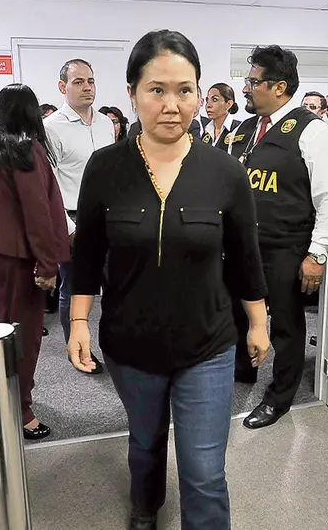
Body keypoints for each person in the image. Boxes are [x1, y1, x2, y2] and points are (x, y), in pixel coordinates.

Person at [67, 29, 269, 530]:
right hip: (130, 343)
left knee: (203, 470)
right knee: (145, 441)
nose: (172, 104)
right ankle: (144, 507)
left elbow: (246, 256)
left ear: (200, 94)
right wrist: (77, 321)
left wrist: (259, 323)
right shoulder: (105, 167)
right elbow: (88, 252)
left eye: (185, 89)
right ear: (133, 92)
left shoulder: (224, 171)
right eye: (157, 89)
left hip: (208, 343)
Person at [225, 45, 328, 427]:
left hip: (287, 247)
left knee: (287, 326)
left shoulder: (313, 131)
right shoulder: (244, 129)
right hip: (244, 245)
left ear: (279, 87)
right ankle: (243, 371)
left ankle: (280, 397)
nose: (246, 89)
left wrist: (318, 254)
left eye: (253, 82)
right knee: (237, 313)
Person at [0, 84, 71, 441]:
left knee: (6, 326)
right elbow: (38, 214)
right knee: (24, 334)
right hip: (19, 255)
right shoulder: (26, 149)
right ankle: (20, 409)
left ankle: (9, 398)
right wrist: (47, 266)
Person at [44, 58, 116, 373]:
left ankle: (116, 345)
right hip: (72, 222)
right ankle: (78, 348)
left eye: (90, 81)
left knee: (115, 286)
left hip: (108, 221)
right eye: (78, 82)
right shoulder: (50, 128)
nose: (87, 87)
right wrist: (68, 228)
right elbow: (47, 185)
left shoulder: (104, 124)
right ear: (63, 87)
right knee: (73, 289)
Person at [203, 83, 241, 148]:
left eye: (214, 100)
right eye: (207, 100)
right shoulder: (206, 129)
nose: (208, 105)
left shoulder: (239, 129)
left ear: (228, 104)